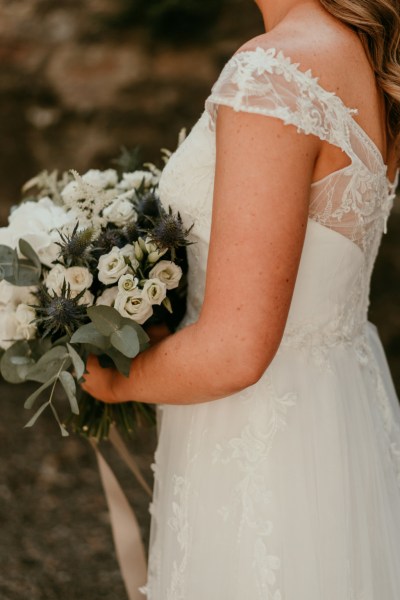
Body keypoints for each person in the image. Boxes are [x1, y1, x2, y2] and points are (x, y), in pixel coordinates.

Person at [82, 0, 400, 597]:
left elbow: (235, 350)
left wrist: (117, 382)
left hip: (263, 441)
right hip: (337, 410)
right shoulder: (362, 52)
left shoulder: (275, 73)